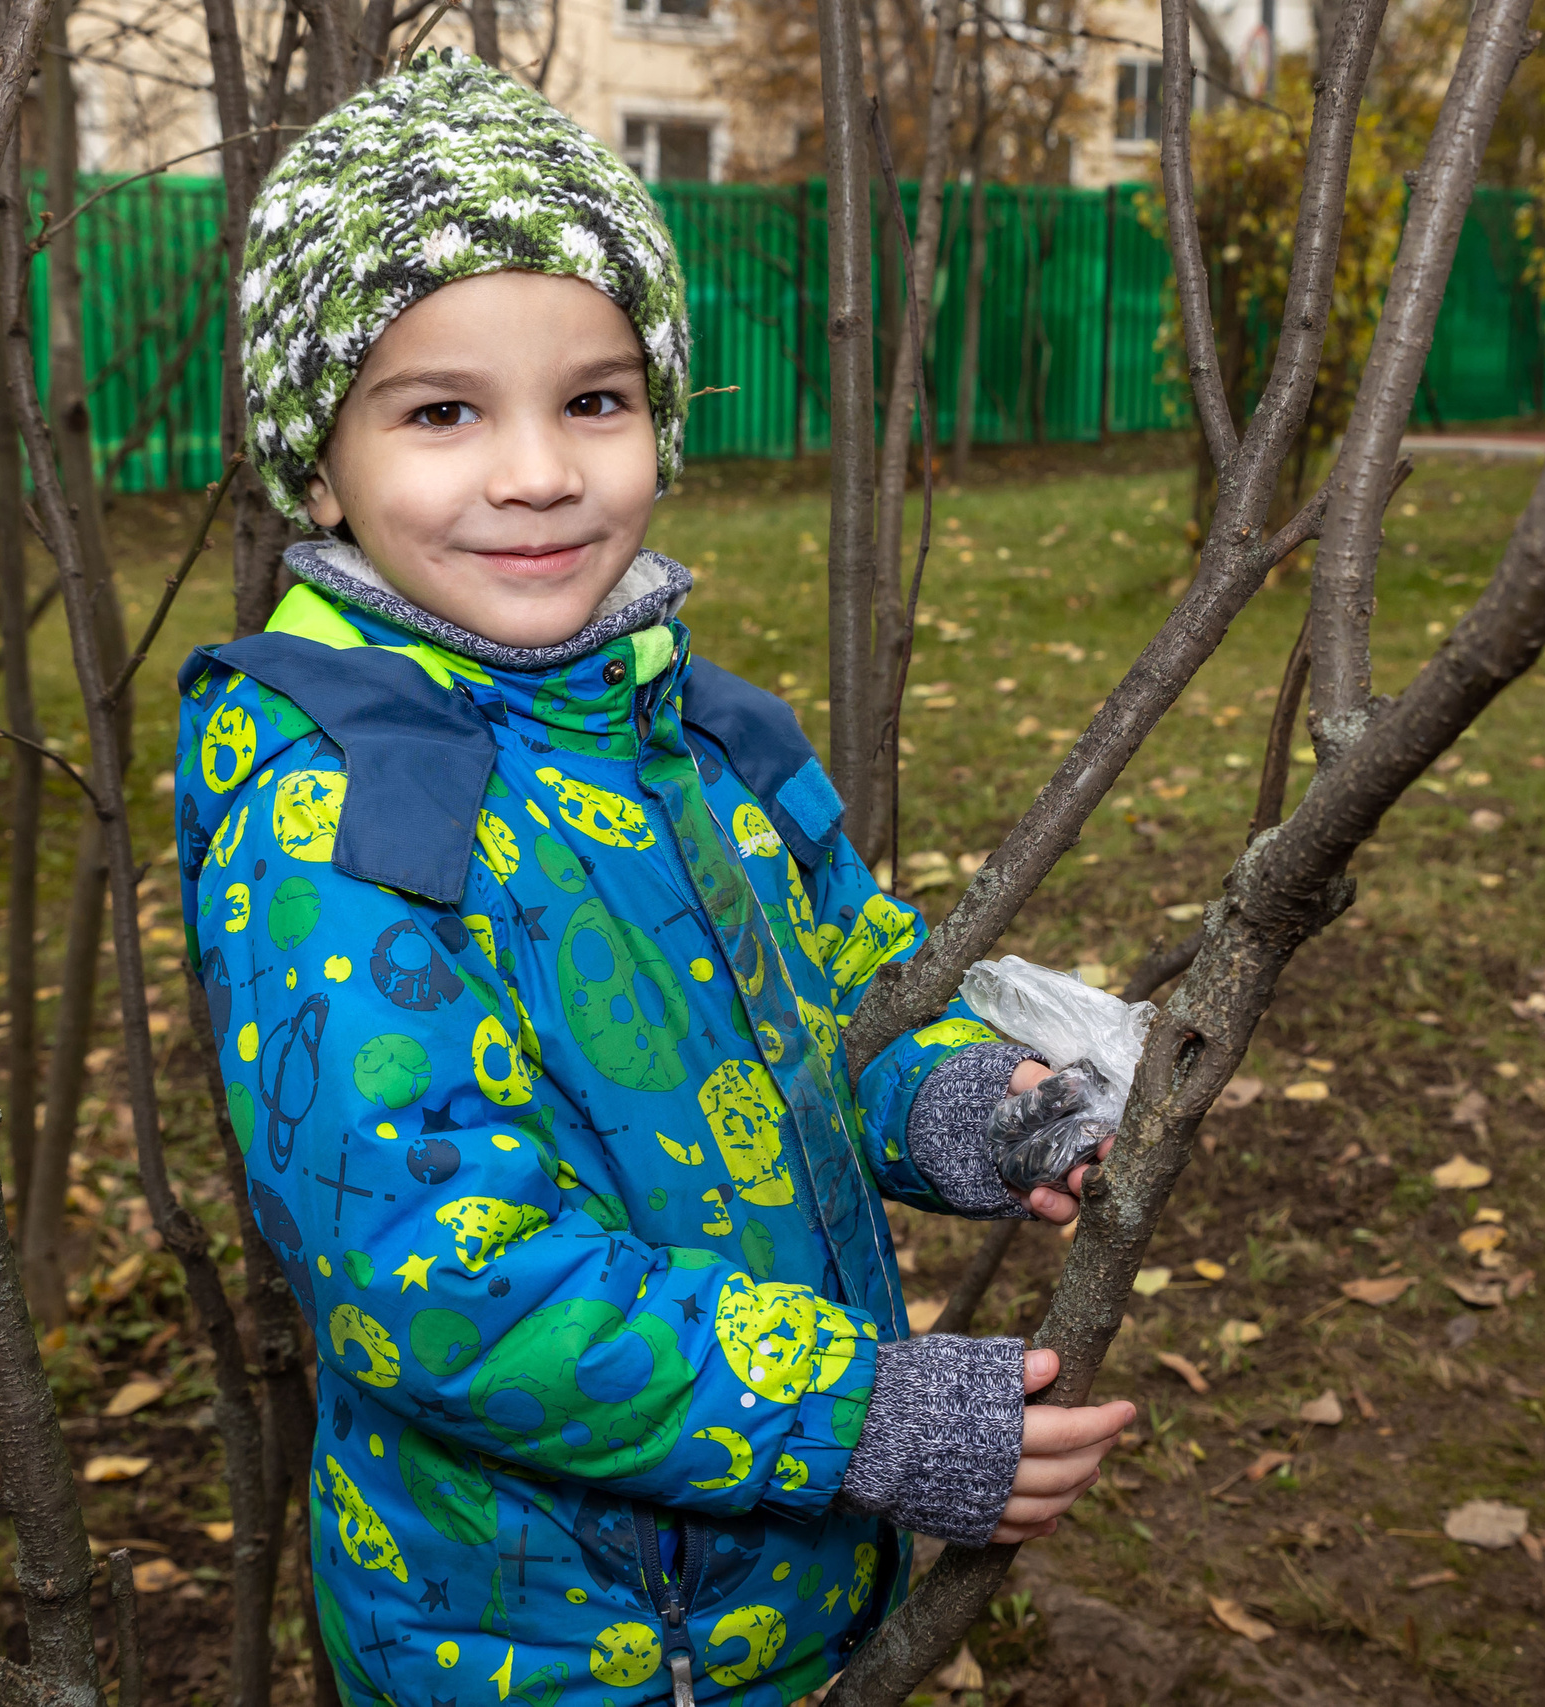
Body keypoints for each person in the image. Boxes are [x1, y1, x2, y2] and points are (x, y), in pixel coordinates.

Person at [175, 50, 1134, 1707]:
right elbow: (440, 1280)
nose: (538, 471)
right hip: (560, 1649)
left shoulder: (695, 735)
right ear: (318, 466)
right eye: (442, 411)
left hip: (776, 1590)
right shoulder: (346, 810)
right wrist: (858, 1417)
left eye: (594, 401)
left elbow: (842, 1000)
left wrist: (973, 1106)